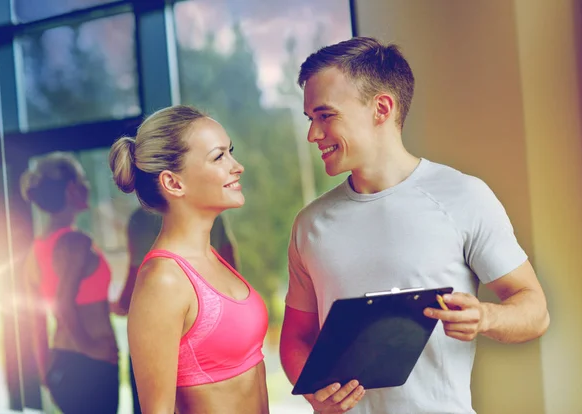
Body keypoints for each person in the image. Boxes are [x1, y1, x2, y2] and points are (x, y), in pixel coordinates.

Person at [279, 37, 550, 414]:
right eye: (311, 119)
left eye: (326, 116)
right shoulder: (309, 224)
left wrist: (486, 316)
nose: (313, 134)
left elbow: (535, 310)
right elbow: (296, 336)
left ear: (382, 108)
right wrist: (311, 391)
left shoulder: (463, 196)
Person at [108, 105, 269, 414]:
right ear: (173, 183)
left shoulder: (210, 257)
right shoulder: (163, 281)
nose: (237, 167)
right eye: (219, 156)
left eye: (230, 152)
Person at [21, 152, 119, 414]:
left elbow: (37, 319)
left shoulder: (36, 250)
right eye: (83, 180)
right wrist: (93, 348)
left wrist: (46, 372)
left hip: (63, 365)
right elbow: (63, 305)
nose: (87, 187)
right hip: (89, 367)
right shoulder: (75, 242)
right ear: (72, 189)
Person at [113, 208, 239, 414]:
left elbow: (135, 278)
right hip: (196, 330)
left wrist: (119, 305)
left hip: (176, 332)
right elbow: (231, 266)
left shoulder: (140, 219)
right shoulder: (210, 213)